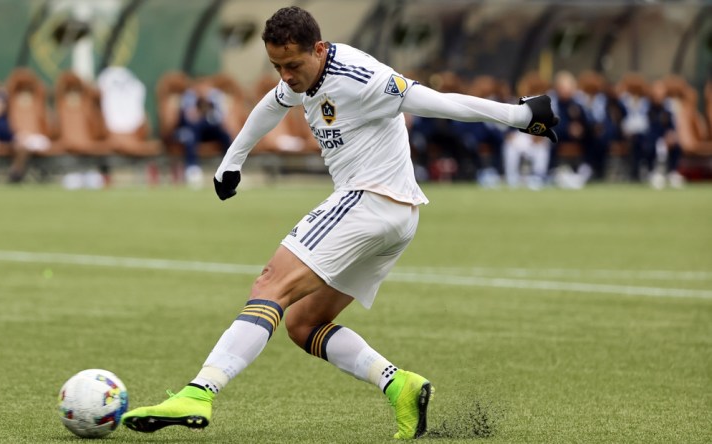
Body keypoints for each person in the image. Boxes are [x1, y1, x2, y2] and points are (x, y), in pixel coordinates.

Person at [121, 6, 558, 440]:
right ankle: (400, 386)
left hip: (369, 200)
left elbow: (439, 103)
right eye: (277, 66)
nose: (286, 75)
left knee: (271, 284)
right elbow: (272, 105)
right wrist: (231, 162)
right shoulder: (301, 76)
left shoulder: (361, 76)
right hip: (395, 217)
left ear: (320, 48)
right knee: (303, 324)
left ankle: (200, 392)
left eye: (292, 65)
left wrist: (520, 116)